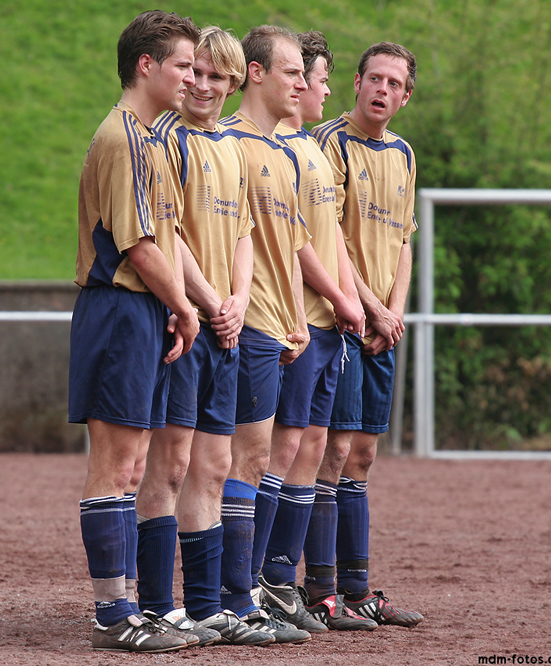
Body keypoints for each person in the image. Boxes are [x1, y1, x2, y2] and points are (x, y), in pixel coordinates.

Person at [137, 25, 304, 647]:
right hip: (181, 322)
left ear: (234, 82)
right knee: (170, 464)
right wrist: (209, 302)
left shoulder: (232, 148)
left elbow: (242, 236)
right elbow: (164, 232)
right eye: (196, 73)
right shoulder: (165, 140)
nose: (203, 85)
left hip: (225, 325)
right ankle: (156, 605)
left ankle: (208, 606)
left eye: (217, 77)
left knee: (214, 465)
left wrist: (236, 300)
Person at [69, 10, 201, 653]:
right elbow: (140, 247)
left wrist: (175, 304)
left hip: (144, 310)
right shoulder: (122, 137)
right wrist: (187, 305)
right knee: (116, 463)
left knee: (134, 464)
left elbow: (163, 243)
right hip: (119, 310)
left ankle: (127, 607)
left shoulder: (150, 137)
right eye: (181, 64)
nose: (192, 77)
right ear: (146, 65)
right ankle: (110, 613)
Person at [252, 30, 375, 632]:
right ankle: (257, 582)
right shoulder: (271, 150)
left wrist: (354, 301)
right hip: (296, 323)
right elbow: (295, 246)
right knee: (280, 448)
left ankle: (280, 580)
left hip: (331, 326)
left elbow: (333, 241)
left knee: (313, 450)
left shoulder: (312, 150)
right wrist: (337, 297)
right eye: (308, 76)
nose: (314, 87)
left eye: (316, 77)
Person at [307, 41, 424, 627]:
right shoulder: (330, 143)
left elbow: (404, 241)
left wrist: (395, 311)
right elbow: (330, 237)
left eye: (393, 83)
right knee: (334, 453)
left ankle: (356, 591)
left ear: (405, 96)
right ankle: (319, 592)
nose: (381, 89)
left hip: (380, 323)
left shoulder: (402, 154)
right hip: (343, 321)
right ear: (355, 83)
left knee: (365, 456)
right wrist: (371, 308)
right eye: (373, 78)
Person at [216, 22, 311, 633]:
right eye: (291, 71)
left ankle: (243, 591)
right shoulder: (228, 143)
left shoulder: (281, 150)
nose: (301, 82)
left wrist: (298, 317)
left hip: (280, 327)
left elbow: (289, 246)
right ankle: (232, 598)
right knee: (239, 460)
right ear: (256, 73)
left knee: (261, 458)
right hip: (243, 324)